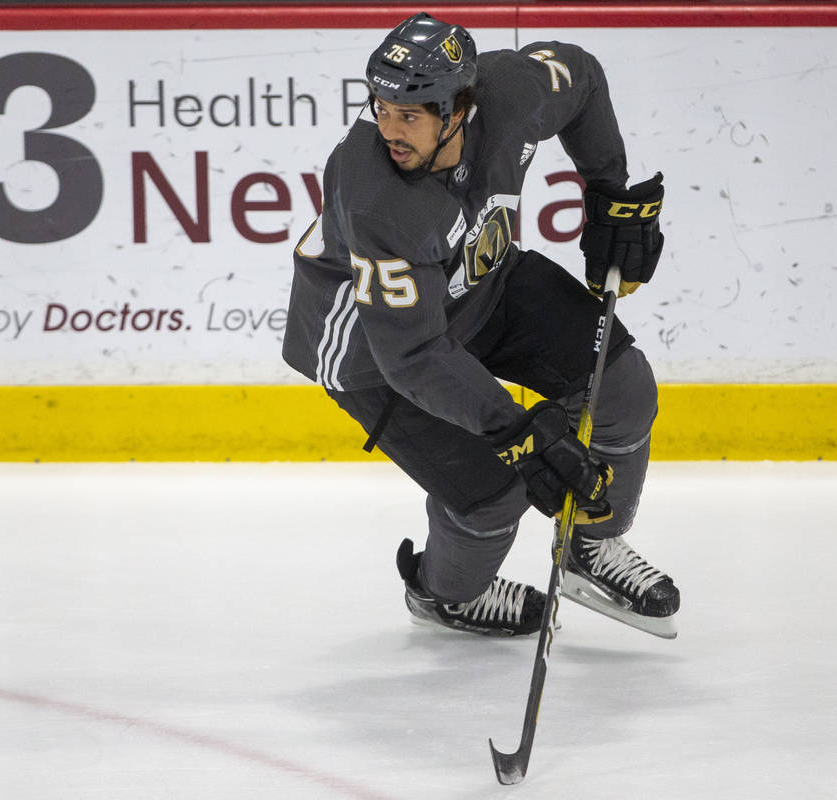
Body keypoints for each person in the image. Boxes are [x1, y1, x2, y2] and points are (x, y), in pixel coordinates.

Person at [282, 12, 680, 639]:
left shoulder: (512, 89)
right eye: (380, 108)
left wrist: (608, 194)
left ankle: (590, 545)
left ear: (460, 107)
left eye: (408, 115)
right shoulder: (376, 196)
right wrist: (517, 432)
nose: (389, 128)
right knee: (495, 494)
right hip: (373, 351)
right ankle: (445, 595)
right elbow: (413, 355)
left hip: (481, 282)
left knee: (624, 390)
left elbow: (583, 77)